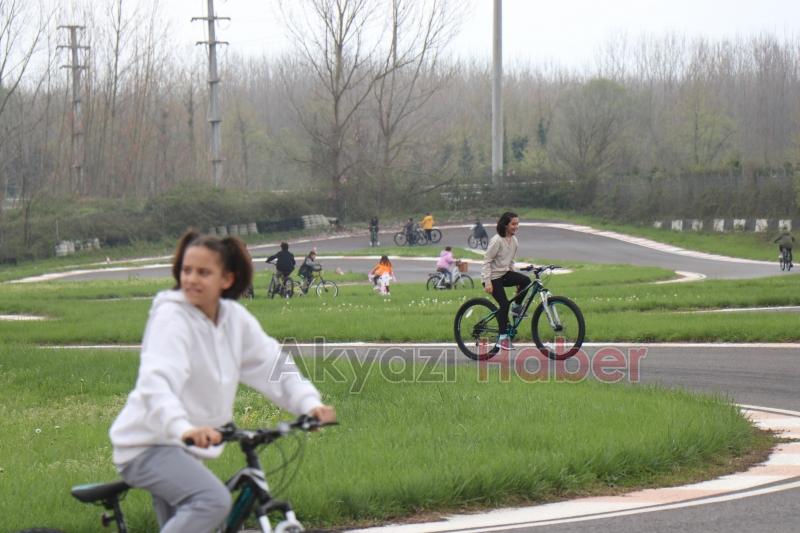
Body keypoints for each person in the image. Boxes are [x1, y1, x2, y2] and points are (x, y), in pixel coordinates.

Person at [109, 230, 335, 532]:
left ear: (226, 279)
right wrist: (184, 428)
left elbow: (272, 364)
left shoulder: (234, 320)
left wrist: (309, 404)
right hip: (149, 444)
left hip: (185, 448)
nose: (191, 279)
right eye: (186, 270)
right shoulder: (172, 319)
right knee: (212, 502)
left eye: (203, 272)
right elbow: (157, 382)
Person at [481, 211, 529, 351]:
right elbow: (486, 261)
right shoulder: (497, 240)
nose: (516, 226)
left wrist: (516, 279)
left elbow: (511, 261)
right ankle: (502, 338)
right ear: (505, 225)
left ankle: (516, 308)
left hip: (505, 273)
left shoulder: (514, 241)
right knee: (504, 304)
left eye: (517, 224)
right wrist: (487, 281)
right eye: (513, 224)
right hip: (493, 277)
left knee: (526, 281)